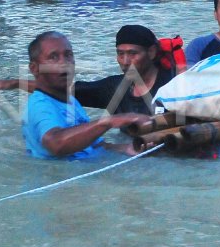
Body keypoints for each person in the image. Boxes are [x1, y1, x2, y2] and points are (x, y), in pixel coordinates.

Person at [0, 24, 172, 116]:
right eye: (120, 54)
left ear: (152, 52)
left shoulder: (175, 86)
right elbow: (59, 90)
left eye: (133, 54)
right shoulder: (114, 88)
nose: (125, 61)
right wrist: (14, 83)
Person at [21, 31, 147, 159]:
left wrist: (126, 148)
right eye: (53, 57)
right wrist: (109, 121)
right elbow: (56, 144)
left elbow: (96, 145)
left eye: (68, 55)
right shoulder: (40, 105)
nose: (64, 63)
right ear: (34, 69)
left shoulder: (70, 100)